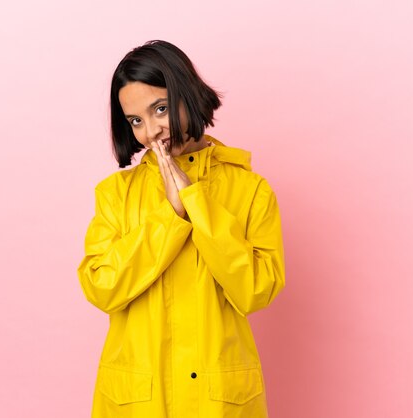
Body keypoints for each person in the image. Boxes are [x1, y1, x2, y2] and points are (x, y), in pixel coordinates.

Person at [77, 40, 286, 418]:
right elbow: (102, 287)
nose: (151, 131)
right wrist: (170, 217)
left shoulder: (250, 190)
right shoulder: (115, 195)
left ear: (186, 93)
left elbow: (256, 289)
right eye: (136, 120)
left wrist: (196, 204)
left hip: (218, 399)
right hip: (139, 401)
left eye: (159, 109)